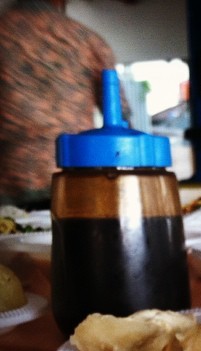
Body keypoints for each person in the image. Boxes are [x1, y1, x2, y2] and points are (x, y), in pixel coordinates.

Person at [0, 0, 120, 209]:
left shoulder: (4, 31)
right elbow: (118, 114)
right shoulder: (88, 40)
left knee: (12, 228)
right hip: (75, 172)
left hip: (9, 178)